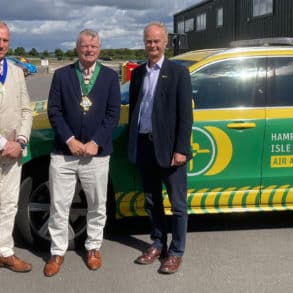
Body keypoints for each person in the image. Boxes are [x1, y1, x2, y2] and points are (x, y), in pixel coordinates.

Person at [44, 29, 120, 277]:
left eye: (94, 46)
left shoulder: (109, 77)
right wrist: (70, 140)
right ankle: (57, 251)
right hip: (64, 153)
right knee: (59, 205)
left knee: (97, 205)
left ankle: (93, 248)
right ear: (77, 48)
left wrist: (96, 141)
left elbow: (113, 114)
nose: (89, 50)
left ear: (100, 49)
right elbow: (54, 111)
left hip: (96, 155)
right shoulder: (62, 75)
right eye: (85, 45)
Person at [128, 21, 193, 274]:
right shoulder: (137, 74)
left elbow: (185, 116)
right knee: (152, 201)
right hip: (145, 146)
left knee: (177, 205)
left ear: (165, 42)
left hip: (170, 150)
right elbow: (136, 110)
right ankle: (157, 243)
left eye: (157, 41)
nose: (152, 45)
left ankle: (176, 252)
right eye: (148, 41)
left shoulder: (178, 73)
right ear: (144, 43)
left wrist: (181, 149)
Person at [0, 21, 33, 272]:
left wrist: (20, 141)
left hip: (13, 153)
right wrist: (4, 143)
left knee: (9, 203)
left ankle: (5, 252)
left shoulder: (15, 71)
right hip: (4, 147)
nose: (1, 45)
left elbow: (26, 110)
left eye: (5, 40)